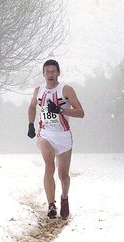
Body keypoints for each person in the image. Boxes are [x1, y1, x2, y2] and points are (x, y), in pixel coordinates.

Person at [27, 59, 84, 220]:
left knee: (63, 175)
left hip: (63, 135)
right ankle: (51, 204)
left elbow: (80, 112)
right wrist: (31, 124)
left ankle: (64, 198)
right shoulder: (38, 90)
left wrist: (60, 110)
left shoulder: (66, 89)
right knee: (49, 164)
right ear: (43, 73)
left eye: (53, 71)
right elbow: (32, 106)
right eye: (47, 72)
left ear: (58, 73)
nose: (50, 75)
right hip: (45, 134)